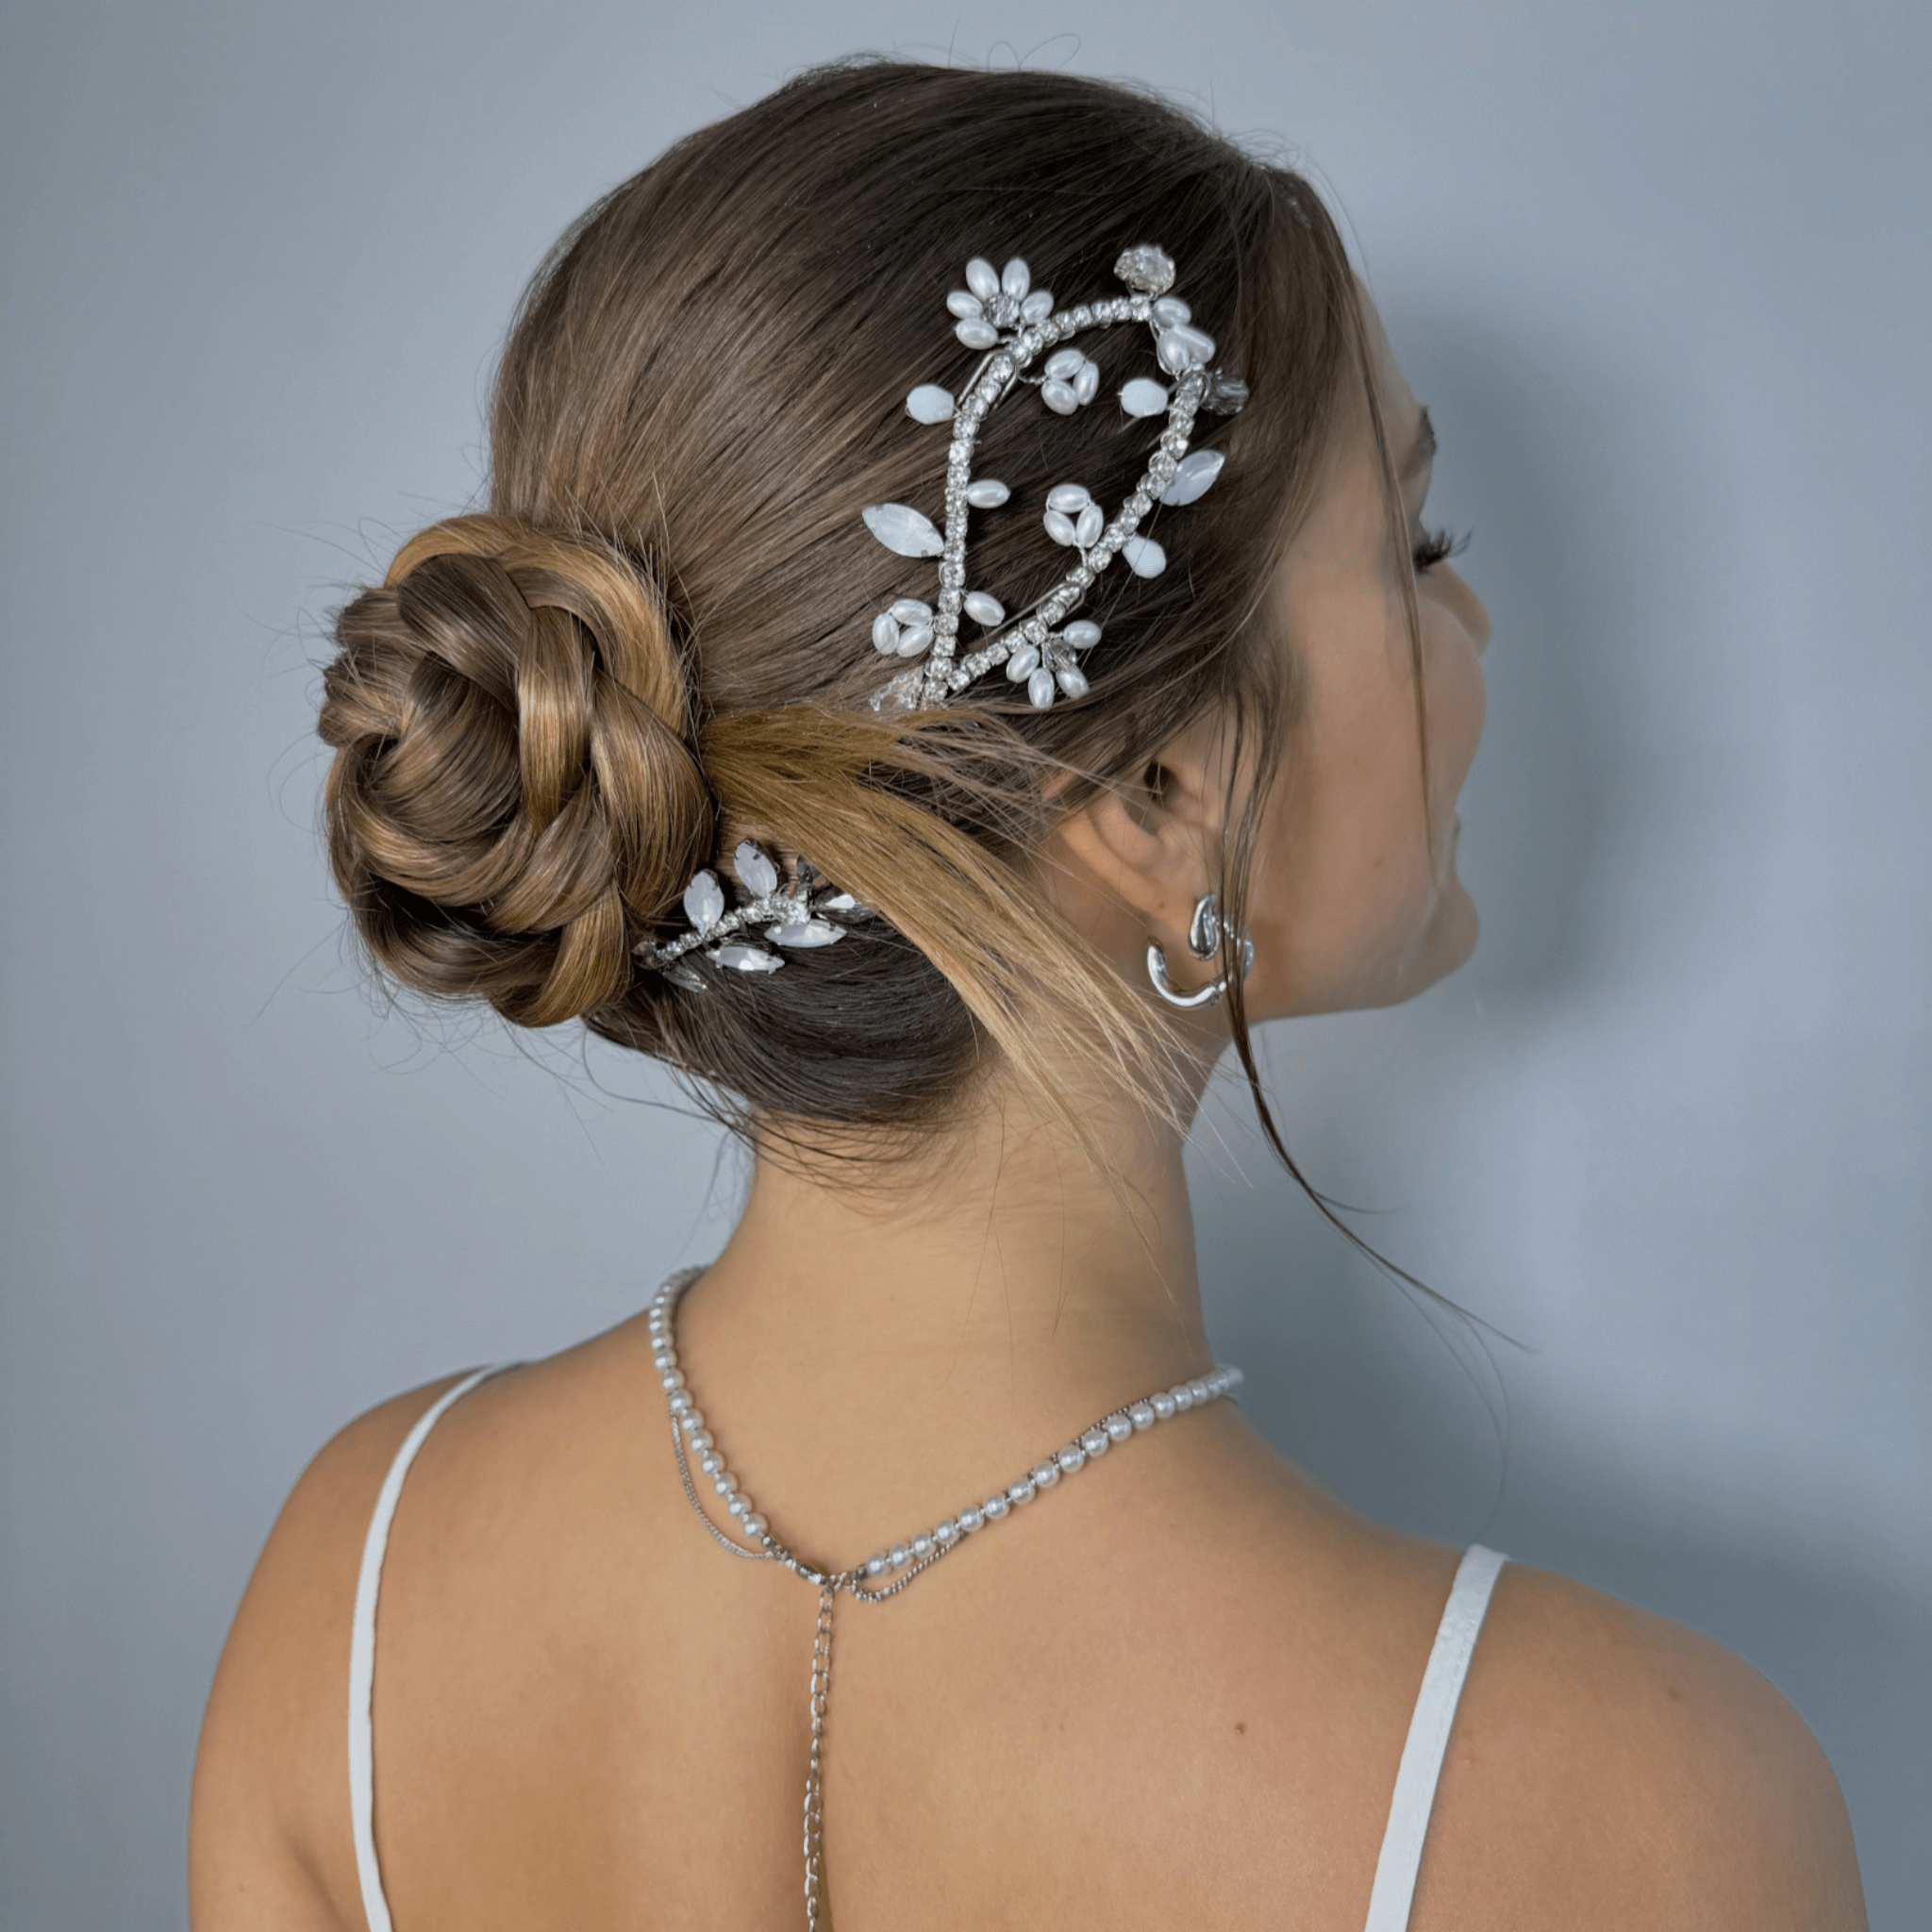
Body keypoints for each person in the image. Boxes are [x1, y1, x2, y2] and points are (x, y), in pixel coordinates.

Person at [189, 59, 1866, 1931]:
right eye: (1415, 550)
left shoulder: (349, 1589)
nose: (1471, 626)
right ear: (1155, 788)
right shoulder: (1625, 1809)